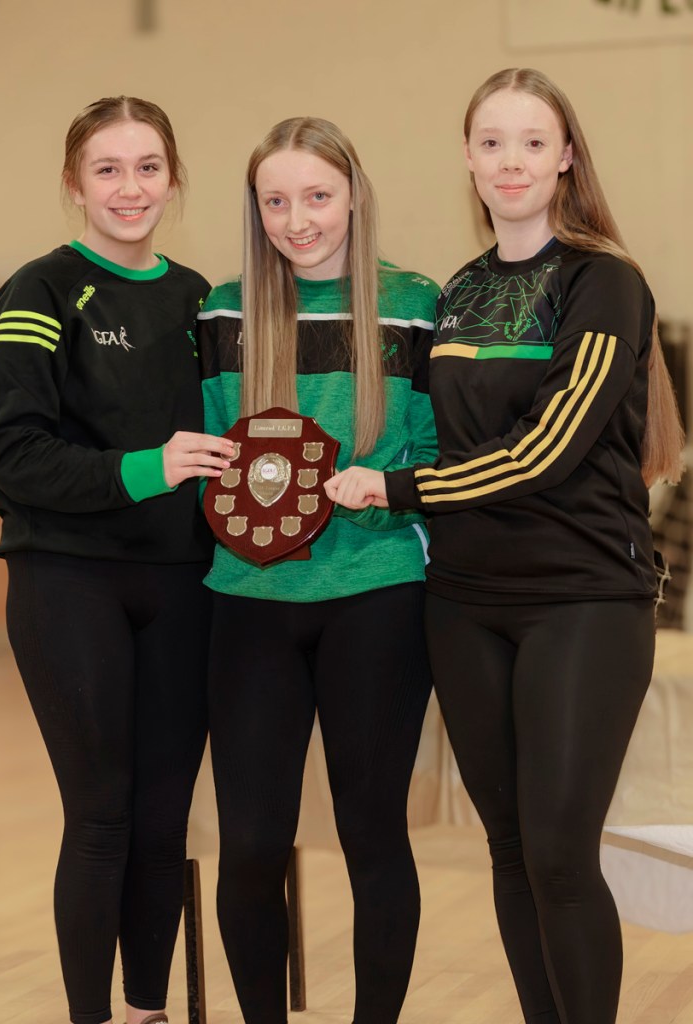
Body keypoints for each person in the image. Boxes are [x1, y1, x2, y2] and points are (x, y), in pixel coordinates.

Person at [326, 68, 685, 1024]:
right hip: (465, 602)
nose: (511, 161)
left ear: (566, 157)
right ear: (469, 159)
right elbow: (430, 430)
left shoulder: (604, 282)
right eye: (492, 143)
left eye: (532, 142)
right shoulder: (461, 290)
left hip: (583, 601)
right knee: (514, 851)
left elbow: (546, 452)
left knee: (562, 855)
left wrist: (397, 490)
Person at [0, 96, 235, 1024]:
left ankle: (147, 1010)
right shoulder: (38, 293)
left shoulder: (201, 298)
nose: (131, 188)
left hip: (184, 583)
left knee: (165, 820)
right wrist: (148, 467)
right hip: (69, 578)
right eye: (108, 169)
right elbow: (15, 458)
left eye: (148, 167)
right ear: (74, 183)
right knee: (102, 815)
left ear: (174, 178)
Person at [195, 116, 438, 1024]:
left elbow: (436, 455)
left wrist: (387, 494)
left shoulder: (414, 304)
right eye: (276, 201)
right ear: (256, 209)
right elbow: (210, 456)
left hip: (376, 595)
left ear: (354, 196)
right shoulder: (222, 312)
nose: (297, 220)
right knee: (253, 843)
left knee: (372, 835)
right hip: (247, 603)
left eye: (318, 196)